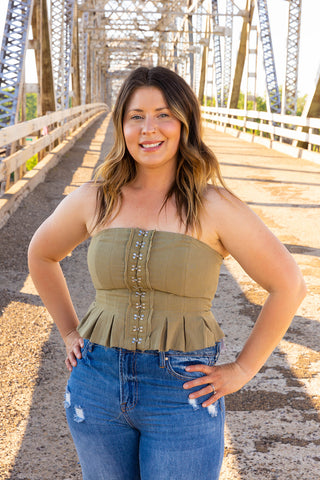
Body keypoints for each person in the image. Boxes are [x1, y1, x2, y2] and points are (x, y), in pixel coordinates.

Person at [28, 66, 306, 480]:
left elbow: (289, 286)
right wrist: (70, 332)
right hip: (96, 383)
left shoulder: (214, 205)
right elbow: (41, 254)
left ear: (184, 123)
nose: (148, 128)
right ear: (121, 125)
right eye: (135, 116)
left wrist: (243, 370)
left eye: (163, 114)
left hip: (181, 391)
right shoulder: (96, 198)